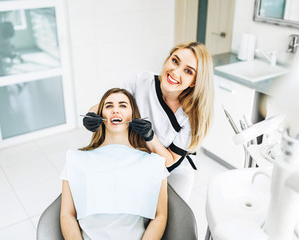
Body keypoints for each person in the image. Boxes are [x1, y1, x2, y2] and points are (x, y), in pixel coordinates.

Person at [83, 42, 214, 201]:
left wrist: (150, 136)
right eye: (175, 61)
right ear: (167, 59)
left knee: (172, 213)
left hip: (175, 169)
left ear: (194, 81)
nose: (175, 71)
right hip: (140, 158)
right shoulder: (142, 81)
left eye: (187, 71)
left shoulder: (191, 116)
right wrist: (91, 114)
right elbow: (111, 104)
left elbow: (170, 161)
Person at [61, 88, 168, 240]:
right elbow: (67, 215)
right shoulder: (76, 160)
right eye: (109, 106)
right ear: (100, 116)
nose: (115, 110)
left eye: (123, 105)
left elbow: (160, 216)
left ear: (133, 116)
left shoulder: (152, 164)